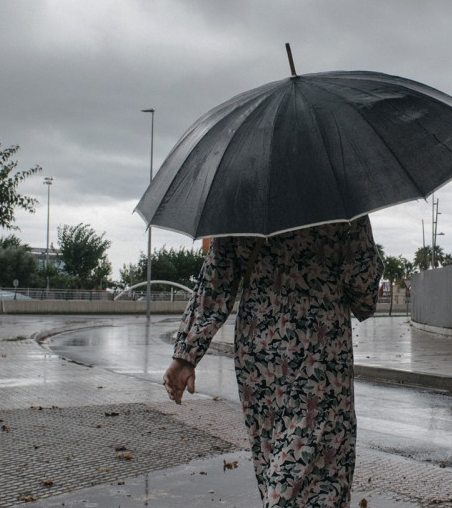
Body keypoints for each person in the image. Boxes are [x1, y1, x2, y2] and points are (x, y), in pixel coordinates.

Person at [163, 216, 383, 507]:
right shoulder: (341, 199)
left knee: (275, 461)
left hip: (260, 355)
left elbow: (215, 281)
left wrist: (186, 354)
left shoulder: (243, 195)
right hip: (320, 352)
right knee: (317, 468)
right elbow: (364, 295)